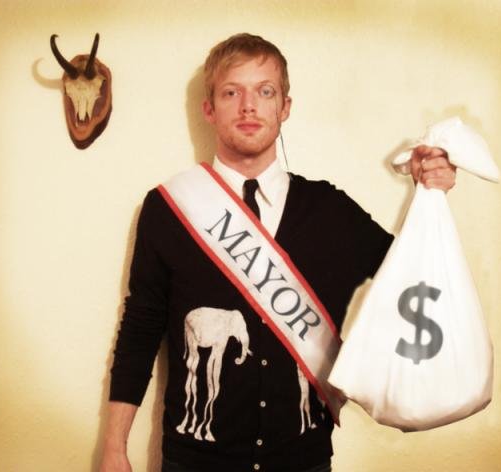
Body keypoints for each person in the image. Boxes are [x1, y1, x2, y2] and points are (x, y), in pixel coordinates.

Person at [100, 33, 456, 472]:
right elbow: (141, 327)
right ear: (209, 109)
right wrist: (114, 446)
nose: (248, 107)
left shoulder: (330, 209)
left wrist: (429, 197)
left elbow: (412, 279)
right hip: (195, 462)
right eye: (232, 93)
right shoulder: (169, 208)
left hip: (304, 461)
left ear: (285, 107)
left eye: (265, 92)